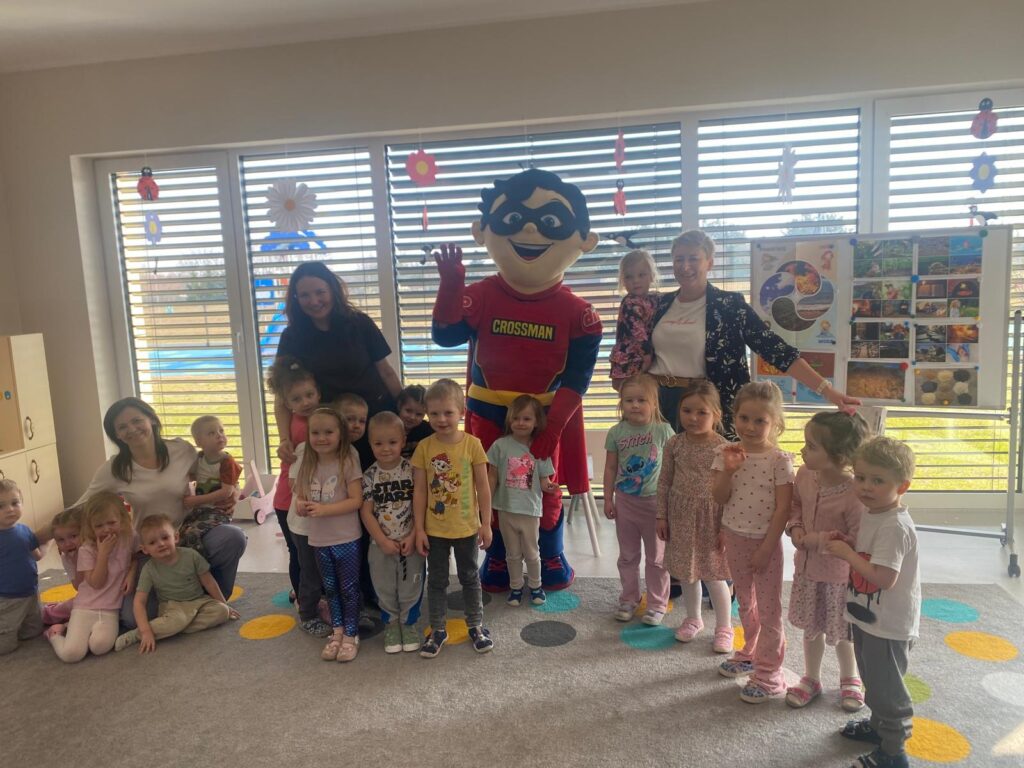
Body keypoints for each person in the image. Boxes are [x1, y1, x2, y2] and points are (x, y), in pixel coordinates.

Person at [431, 168, 603, 591]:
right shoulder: (480, 295)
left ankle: (550, 553)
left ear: (585, 240)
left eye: (550, 221)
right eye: (513, 218)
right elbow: (446, 336)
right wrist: (450, 288)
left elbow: (578, 378)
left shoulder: (581, 314)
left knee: (546, 488)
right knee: (490, 485)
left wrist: (554, 428)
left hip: (546, 416)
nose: (529, 229)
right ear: (482, 231)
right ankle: (497, 558)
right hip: (487, 413)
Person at [620, 229, 858, 433]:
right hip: (657, 404)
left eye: (694, 258)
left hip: (705, 407)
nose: (685, 266)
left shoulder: (730, 305)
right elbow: (632, 347)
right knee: (656, 470)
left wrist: (829, 392)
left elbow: (775, 349)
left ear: (709, 263)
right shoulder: (658, 305)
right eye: (679, 259)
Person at [77, 397, 247, 625]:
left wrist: (234, 491)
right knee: (132, 619)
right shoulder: (114, 469)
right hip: (148, 547)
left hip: (187, 533)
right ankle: (184, 597)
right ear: (116, 435)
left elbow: (216, 472)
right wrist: (36, 538)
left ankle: (211, 597)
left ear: (153, 420)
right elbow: (81, 505)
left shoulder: (181, 450)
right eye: (122, 427)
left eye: (137, 420)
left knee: (233, 537)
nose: (132, 429)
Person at [827, 437, 920, 768]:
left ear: (902, 486)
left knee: (887, 689)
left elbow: (883, 578)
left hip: (889, 624)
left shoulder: (894, 526)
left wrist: (848, 555)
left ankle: (893, 752)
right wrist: (852, 544)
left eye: (878, 480)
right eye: (861, 476)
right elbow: (871, 555)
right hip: (869, 615)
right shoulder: (875, 512)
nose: (865, 486)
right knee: (872, 679)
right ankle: (879, 727)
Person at [274, 261, 402, 472]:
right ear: (296, 299)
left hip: (372, 422)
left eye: (320, 292)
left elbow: (386, 372)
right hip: (328, 432)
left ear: (333, 290)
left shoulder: (360, 323)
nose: (314, 301)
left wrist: (403, 412)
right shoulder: (292, 337)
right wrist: (284, 439)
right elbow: (282, 394)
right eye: (304, 295)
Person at [712, 382, 794, 704]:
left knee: (770, 609)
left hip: (765, 543)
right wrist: (728, 471)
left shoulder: (779, 460)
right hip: (734, 537)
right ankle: (750, 651)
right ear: (734, 417)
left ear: (775, 423)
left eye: (760, 420)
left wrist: (766, 548)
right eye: (744, 418)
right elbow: (720, 498)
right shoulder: (726, 454)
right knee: (745, 601)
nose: (750, 426)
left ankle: (771, 673)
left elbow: (783, 509)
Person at [784, 411, 871, 710]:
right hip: (807, 571)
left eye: (811, 446)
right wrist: (795, 527)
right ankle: (811, 678)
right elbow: (795, 505)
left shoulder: (855, 494)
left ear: (839, 456)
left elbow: (857, 541)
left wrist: (816, 540)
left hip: (839, 578)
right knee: (812, 628)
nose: (802, 450)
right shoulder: (804, 475)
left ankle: (850, 679)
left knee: (843, 632)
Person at [412, 379, 493, 657]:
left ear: (461, 411)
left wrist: (486, 523)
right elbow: (420, 491)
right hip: (434, 530)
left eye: (448, 412)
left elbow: (483, 487)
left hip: (467, 528)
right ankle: (437, 629)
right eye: (434, 413)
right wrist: (419, 529)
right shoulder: (424, 447)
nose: (441, 419)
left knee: (470, 577)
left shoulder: (473, 445)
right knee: (436, 580)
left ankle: (476, 625)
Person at [656, 381, 733, 653]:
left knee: (713, 575)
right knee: (687, 573)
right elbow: (664, 481)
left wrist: (726, 527)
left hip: (712, 519)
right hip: (680, 516)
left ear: (716, 415)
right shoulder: (674, 443)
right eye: (687, 411)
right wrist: (661, 516)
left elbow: (732, 491)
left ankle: (724, 627)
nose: (693, 418)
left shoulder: (724, 448)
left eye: (702, 412)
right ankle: (693, 618)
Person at [290, 407, 363, 662]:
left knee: (349, 588)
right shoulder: (307, 463)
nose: (321, 438)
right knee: (330, 588)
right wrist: (301, 504)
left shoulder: (347, 461)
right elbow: (299, 496)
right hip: (318, 539)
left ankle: (351, 634)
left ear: (340, 434)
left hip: (346, 538)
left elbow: (356, 500)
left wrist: (324, 509)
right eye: (316, 433)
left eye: (328, 432)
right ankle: (337, 631)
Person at [603, 374, 674, 625]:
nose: (635, 405)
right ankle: (629, 599)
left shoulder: (663, 431)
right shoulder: (616, 432)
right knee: (627, 556)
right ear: (621, 403)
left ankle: (657, 604)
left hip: (656, 506)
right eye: (629, 400)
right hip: (625, 503)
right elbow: (611, 467)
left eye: (641, 400)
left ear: (654, 403)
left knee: (657, 559)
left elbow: (673, 467)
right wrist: (608, 499)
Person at [266, 357, 330, 637]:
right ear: (287, 403)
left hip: (318, 498)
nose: (305, 402)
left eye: (309, 395)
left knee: (316, 555)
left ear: (318, 393)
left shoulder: (325, 418)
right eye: (296, 398)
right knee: (299, 555)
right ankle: (306, 604)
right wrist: (284, 442)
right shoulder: (292, 424)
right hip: (288, 499)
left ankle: (315, 597)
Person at [114, 513, 237, 653]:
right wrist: (145, 631)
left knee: (222, 612)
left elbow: (209, 583)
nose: (161, 544)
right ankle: (137, 634)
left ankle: (175, 628)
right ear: (145, 549)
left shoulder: (191, 556)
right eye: (152, 543)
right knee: (177, 620)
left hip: (199, 601)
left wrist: (224, 604)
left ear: (176, 537)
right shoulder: (149, 569)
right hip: (172, 607)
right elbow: (139, 602)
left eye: (165, 538)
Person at [47, 492, 138, 663]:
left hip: (110, 609)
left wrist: (131, 573)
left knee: (99, 647)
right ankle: (54, 634)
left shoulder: (129, 536)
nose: (106, 529)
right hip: (85, 607)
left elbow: (135, 556)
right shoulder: (87, 549)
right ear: (90, 527)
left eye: (111, 523)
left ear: (122, 519)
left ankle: (70, 627)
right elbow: (96, 583)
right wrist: (103, 554)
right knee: (72, 655)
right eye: (99, 525)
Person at [360, 411, 423, 654]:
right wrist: (382, 540)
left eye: (392, 442)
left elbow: (420, 505)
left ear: (403, 441)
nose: (386, 448)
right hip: (380, 545)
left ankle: (408, 624)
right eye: (378, 443)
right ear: (370, 444)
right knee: (384, 586)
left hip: (411, 541)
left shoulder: (413, 470)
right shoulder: (368, 476)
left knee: (411, 586)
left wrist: (414, 535)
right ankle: (391, 625)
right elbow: (366, 512)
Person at [486, 395, 558, 607]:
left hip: (530, 510)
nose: (520, 423)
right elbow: (492, 476)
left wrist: (549, 486)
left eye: (526, 419)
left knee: (532, 554)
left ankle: (536, 586)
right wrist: (485, 504)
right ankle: (516, 587)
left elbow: (544, 481)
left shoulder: (540, 448)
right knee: (512, 554)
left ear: (536, 422)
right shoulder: (500, 446)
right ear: (509, 420)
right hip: (506, 509)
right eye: (516, 418)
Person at [178, 415, 242, 559]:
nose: (219, 435)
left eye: (221, 431)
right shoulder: (199, 458)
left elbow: (226, 492)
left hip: (218, 510)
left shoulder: (226, 462)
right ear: (199, 442)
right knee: (181, 531)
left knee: (192, 533)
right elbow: (191, 476)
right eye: (212, 433)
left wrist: (196, 500)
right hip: (201, 509)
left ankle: (200, 564)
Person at [0, 479, 50, 655]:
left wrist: (47, 541)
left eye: (15, 503)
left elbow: (37, 555)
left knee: (33, 633)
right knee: (5, 646)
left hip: (30, 593)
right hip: (7, 599)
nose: (10, 509)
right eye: (1, 506)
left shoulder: (25, 530)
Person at [609, 249, 660, 389]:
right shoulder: (630, 302)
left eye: (641, 275)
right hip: (630, 358)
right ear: (623, 281)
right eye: (629, 277)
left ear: (651, 276)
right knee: (632, 393)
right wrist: (647, 355)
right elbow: (638, 332)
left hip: (645, 358)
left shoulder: (654, 299)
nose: (636, 281)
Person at [41, 505, 84, 625]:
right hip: (86, 595)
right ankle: (50, 612)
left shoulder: (94, 550)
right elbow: (78, 587)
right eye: (61, 540)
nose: (68, 543)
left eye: (73, 536)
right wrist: (78, 563)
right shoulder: (67, 558)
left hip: (104, 595)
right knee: (71, 606)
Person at [397, 385, 433, 459]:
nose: (412, 417)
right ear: (399, 406)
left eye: (419, 414)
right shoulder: (389, 426)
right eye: (408, 411)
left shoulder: (427, 430)